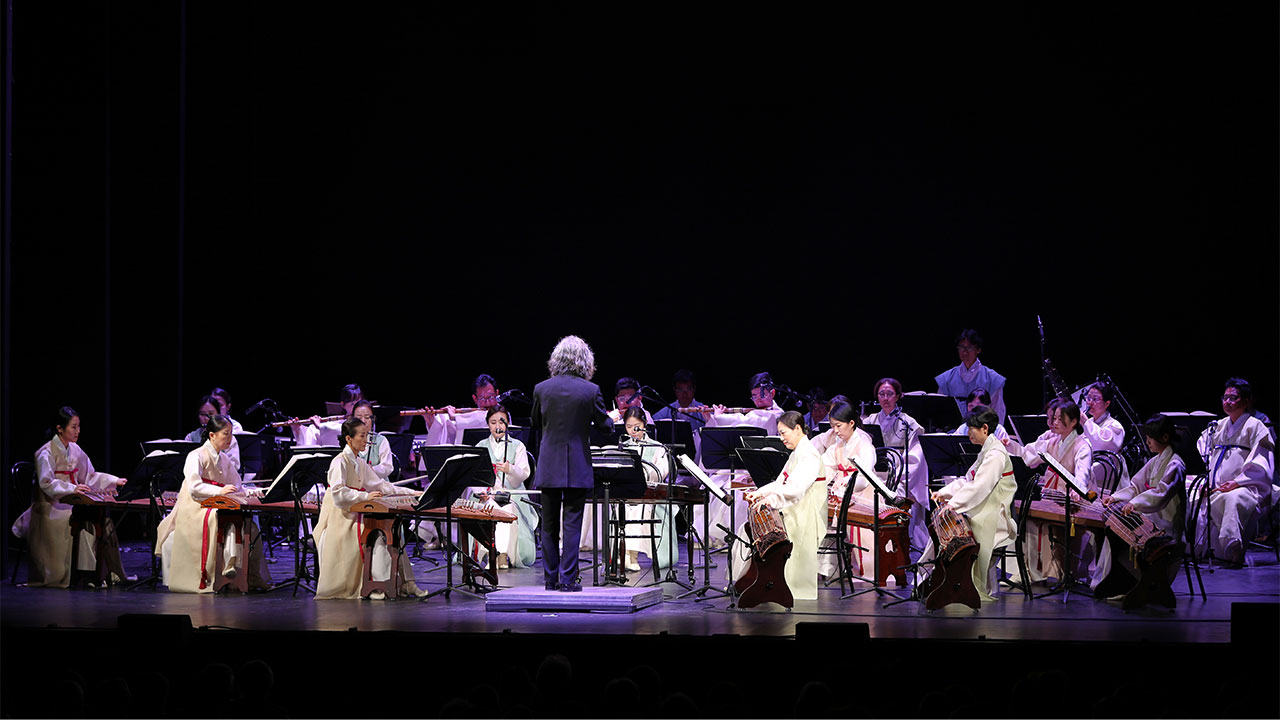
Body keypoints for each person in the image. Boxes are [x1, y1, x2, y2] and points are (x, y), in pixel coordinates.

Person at [531, 335, 614, 592]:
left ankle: (550, 579)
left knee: (548, 525)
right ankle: (567, 580)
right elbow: (606, 426)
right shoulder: (591, 391)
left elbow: (535, 423)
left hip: (549, 463)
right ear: (585, 362)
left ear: (556, 360)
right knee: (572, 524)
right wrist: (609, 418)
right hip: (577, 464)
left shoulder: (541, 389)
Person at [155, 414, 272, 593]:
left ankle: (252, 575)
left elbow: (237, 486)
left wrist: (254, 491)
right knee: (222, 517)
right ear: (212, 435)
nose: (230, 438)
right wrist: (219, 490)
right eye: (226, 433)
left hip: (215, 504)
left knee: (251, 527)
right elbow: (194, 487)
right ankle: (228, 563)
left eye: (231, 433)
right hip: (195, 507)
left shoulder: (224, 459)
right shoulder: (196, 456)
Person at [16, 407, 128, 588]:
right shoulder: (46, 452)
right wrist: (73, 488)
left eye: (79, 426)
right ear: (60, 428)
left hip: (72, 501)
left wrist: (114, 481)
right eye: (73, 427)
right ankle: (81, 574)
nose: (78, 431)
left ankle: (104, 573)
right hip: (50, 506)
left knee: (102, 520)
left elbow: (90, 476)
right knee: (79, 518)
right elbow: (46, 483)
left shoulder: (75, 449)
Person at [313, 418, 425, 599]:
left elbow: (382, 486)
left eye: (367, 436)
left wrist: (413, 493)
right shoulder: (339, 461)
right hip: (340, 517)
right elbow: (338, 494)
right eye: (362, 436)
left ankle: (406, 583)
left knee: (393, 533)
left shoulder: (360, 463)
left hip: (355, 512)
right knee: (378, 535)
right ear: (349, 439)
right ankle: (378, 585)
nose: (366, 441)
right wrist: (365, 496)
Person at [923, 405, 1017, 601]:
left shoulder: (996, 454)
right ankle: (936, 578)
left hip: (995, 513)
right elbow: (968, 480)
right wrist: (944, 493)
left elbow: (980, 487)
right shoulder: (987, 450)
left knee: (952, 524)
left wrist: (954, 504)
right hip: (984, 505)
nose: (968, 433)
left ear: (985, 428)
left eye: (971, 428)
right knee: (944, 525)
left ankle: (956, 584)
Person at [732, 411, 828, 601]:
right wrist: (760, 493)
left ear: (797, 429)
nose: (781, 438)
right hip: (796, 507)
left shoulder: (808, 454)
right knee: (747, 530)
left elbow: (796, 489)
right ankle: (750, 581)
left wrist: (771, 501)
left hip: (807, 512)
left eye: (783, 433)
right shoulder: (798, 453)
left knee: (763, 533)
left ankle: (777, 585)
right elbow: (781, 482)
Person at [1006, 398, 1095, 583]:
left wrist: (1077, 489)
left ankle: (1058, 572)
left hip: (1070, 499)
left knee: (1046, 523)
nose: (1055, 422)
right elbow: (1027, 454)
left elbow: (1083, 473)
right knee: (1028, 519)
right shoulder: (1052, 442)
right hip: (1052, 496)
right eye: (1054, 418)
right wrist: (1009, 445)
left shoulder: (1082, 445)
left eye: (1060, 419)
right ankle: (1031, 571)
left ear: (1074, 421)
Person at [694, 372, 786, 548]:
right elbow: (739, 422)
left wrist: (719, 416)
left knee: (735, 492)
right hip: (739, 465)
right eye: (754, 396)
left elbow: (745, 422)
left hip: (761, 469)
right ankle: (707, 536)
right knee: (712, 485)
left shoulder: (776, 415)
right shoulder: (756, 413)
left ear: (772, 393)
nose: (758, 400)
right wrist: (711, 418)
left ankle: (730, 538)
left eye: (762, 395)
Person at [1095, 414, 1186, 590]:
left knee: (1120, 531)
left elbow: (1161, 494)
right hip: (1153, 514)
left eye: (1150, 437)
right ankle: (1117, 581)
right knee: (1113, 529)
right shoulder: (1155, 460)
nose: (1147, 441)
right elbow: (1136, 485)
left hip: (1166, 522)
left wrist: (1135, 504)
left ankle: (1132, 583)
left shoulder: (1175, 464)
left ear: (1164, 437)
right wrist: (1115, 497)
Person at [1192, 378, 1275, 565]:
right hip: (1217, 486)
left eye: (1233, 398)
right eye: (1225, 397)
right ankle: (1196, 549)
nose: (1227, 401)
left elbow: (1261, 462)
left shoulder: (1255, 426)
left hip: (1246, 486)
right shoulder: (1218, 426)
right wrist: (1208, 482)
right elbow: (1206, 457)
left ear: (1245, 402)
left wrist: (1237, 482)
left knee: (1233, 499)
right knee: (1192, 495)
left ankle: (1235, 551)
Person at [862, 378, 931, 553]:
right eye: (881, 394)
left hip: (899, 476)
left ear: (898, 396)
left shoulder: (909, 423)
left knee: (897, 493)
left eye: (890, 394)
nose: (885, 398)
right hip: (874, 474)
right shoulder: (870, 421)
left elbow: (916, 456)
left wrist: (897, 476)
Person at [468, 404, 537, 569]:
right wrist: (481, 492)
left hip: (511, 493)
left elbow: (524, 473)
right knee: (487, 507)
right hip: (486, 493)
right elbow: (473, 475)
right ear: (488, 424)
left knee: (507, 509)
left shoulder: (517, 445)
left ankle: (503, 554)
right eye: (493, 422)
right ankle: (489, 554)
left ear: (508, 424)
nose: (497, 426)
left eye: (502, 422)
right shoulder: (481, 445)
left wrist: (510, 469)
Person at [817, 402, 877, 579]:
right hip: (842, 492)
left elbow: (864, 478)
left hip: (863, 494)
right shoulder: (838, 444)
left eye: (838, 426)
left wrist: (846, 483)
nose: (835, 431)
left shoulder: (864, 445)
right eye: (832, 426)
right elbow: (826, 465)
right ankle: (830, 568)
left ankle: (863, 570)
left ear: (851, 423)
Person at [619, 407, 678, 572]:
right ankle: (624, 553)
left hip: (651, 495)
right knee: (621, 507)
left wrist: (643, 473)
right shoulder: (622, 446)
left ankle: (631, 554)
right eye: (629, 427)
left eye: (636, 426)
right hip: (627, 493)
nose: (633, 431)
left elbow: (661, 472)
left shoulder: (657, 447)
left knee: (639, 508)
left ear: (644, 424)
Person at [935, 329, 1008, 424]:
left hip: (983, 430)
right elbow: (940, 412)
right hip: (954, 431)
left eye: (969, 348)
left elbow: (998, 414)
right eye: (961, 347)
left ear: (978, 350)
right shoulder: (946, 379)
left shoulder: (993, 379)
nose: (965, 352)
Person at [420, 373, 502, 445]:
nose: (487, 403)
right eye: (482, 399)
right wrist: (432, 423)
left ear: (497, 394)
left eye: (491, 397)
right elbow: (449, 434)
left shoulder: (503, 414)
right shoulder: (466, 418)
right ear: (475, 399)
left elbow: (483, 418)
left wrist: (453, 416)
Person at [1080, 381, 1128, 489]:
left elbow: (1102, 445)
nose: (1090, 403)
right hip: (1093, 472)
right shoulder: (1089, 423)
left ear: (1107, 404)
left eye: (1096, 399)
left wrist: (1086, 423)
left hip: (1109, 481)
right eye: (1088, 398)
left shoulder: (1115, 426)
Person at [290, 383, 365, 446]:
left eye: (358, 403)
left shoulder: (366, 420)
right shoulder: (338, 422)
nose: (356, 407)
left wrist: (320, 426)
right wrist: (298, 430)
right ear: (343, 405)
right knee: (313, 428)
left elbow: (344, 431)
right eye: (352, 404)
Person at [183, 394, 242, 471]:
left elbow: (234, 465)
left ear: (218, 414)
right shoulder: (191, 437)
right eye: (202, 414)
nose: (206, 418)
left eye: (211, 414)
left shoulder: (228, 437)